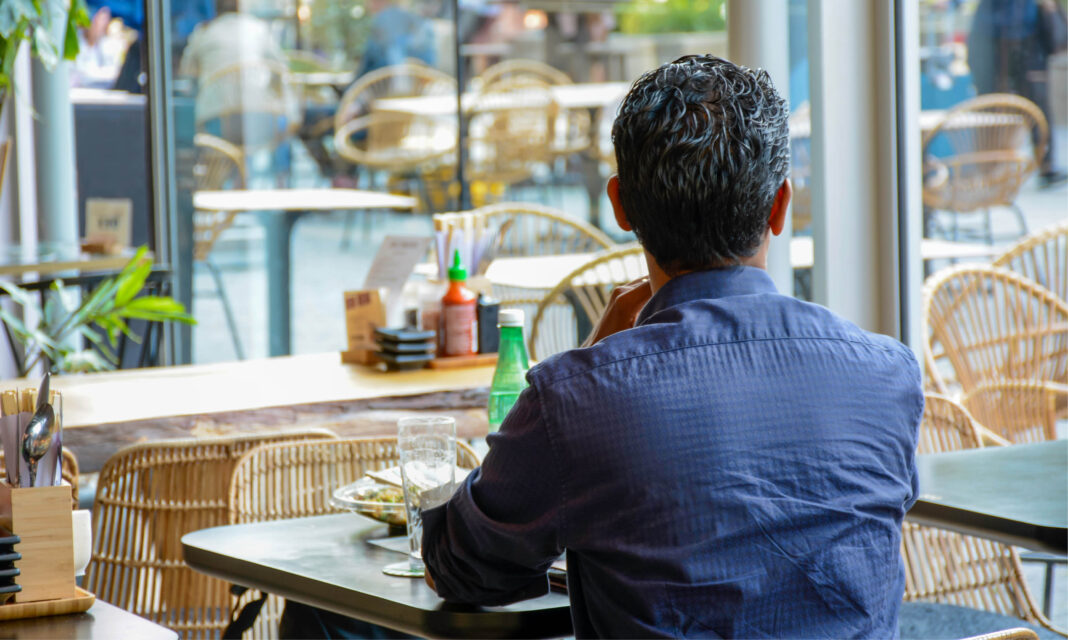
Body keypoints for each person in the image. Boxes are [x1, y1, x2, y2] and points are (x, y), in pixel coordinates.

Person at [421, 55, 923, 638]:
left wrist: (590, 361)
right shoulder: (887, 374)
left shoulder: (578, 400)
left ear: (620, 206)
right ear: (780, 205)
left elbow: (462, 567)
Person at [968, 0, 1068, 187]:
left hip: (1024, 56)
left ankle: (1043, 165)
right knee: (995, 113)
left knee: (1035, 114)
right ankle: (992, 169)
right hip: (1016, 56)